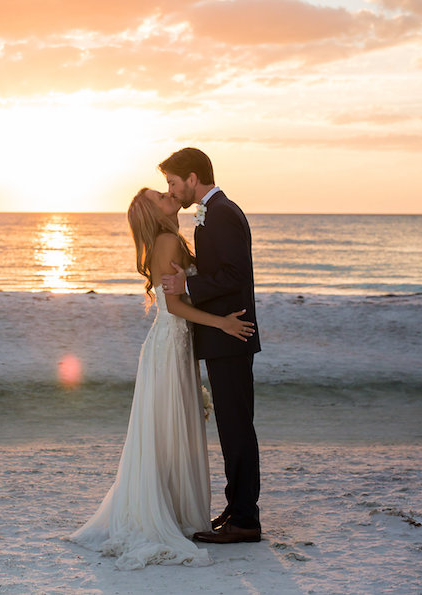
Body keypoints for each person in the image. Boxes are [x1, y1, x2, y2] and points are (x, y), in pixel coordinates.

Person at [69, 187, 255, 569]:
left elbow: (185, 294)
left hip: (174, 345)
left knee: (169, 430)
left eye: (167, 189)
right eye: (161, 195)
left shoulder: (169, 239)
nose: (169, 194)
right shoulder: (168, 240)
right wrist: (221, 321)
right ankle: (172, 514)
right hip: (170, 344)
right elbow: (174, 305)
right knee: (168, 429)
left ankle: (177, 509)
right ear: (154, 213)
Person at [159, 147, 263, 544]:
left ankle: (245, 521)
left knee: (237, 430)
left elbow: (236, 276)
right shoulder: (213, 212)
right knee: (232, 427)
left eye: (172, 182)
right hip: (225, 337)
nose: (171, 190)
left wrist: (189, 285)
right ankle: (236, 508)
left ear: (191, 177)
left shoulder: (220, 213)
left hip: (231, 336)